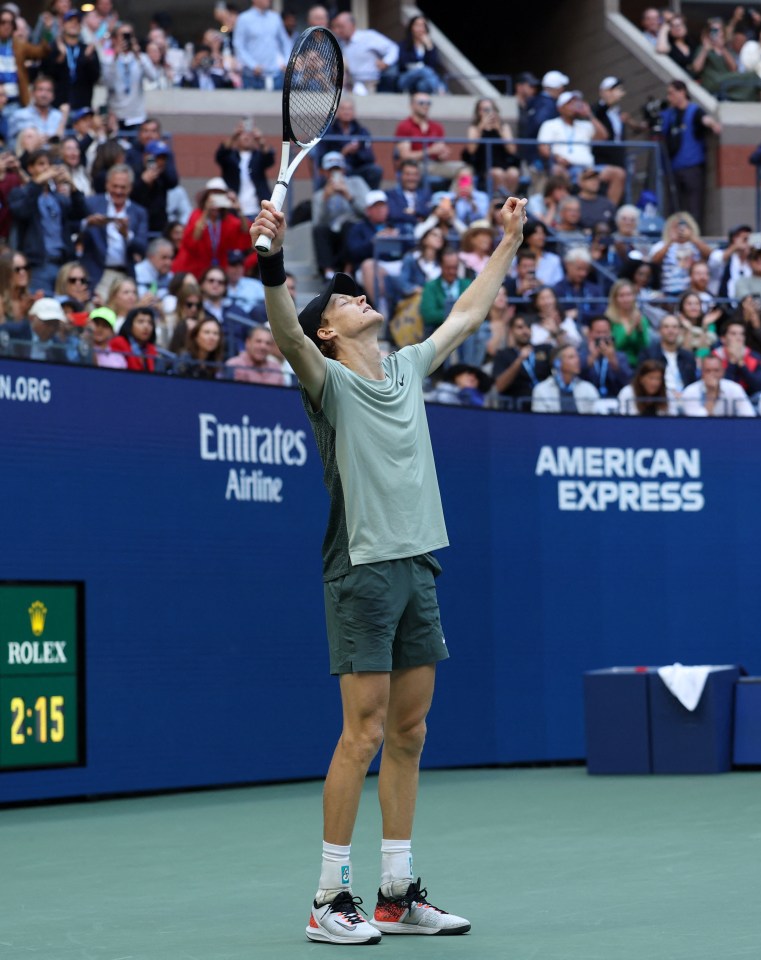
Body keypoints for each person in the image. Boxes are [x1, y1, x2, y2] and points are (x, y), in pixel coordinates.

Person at [250, 192, 527, 946]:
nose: (354, 296)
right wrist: (270, 261)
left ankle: (396, 893)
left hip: (418, 565)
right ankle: (326, 897)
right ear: (330, 333)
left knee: (409, 730)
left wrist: (507, 241)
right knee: (361, 734)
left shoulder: (405, 367)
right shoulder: (326, 380)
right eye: (339, 300)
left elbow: (467, 312)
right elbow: (284, 333)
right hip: (364, 570)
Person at [8, 146, 87, 295]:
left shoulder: (58, 197)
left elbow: (81, 213)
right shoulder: (20, 193)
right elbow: (22, 211)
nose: (47, 169)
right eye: (41, 164)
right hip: (37, 264)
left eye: (49, 164)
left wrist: (73, 186)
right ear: (30, 168)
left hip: (63, 264)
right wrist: (37, 183)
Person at [537, 90, 625, 205]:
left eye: (576, 102)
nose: (573, 106)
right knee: (558, 172)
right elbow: (543, 148)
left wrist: (589, 114)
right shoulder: (550, 124)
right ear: (560, 108)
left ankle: (609, 211)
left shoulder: (585, 125)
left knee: (618, 173)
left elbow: (603, 136)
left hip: (588, 169)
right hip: (565, 167)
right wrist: (556, 158)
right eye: (569, 103)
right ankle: (562, 212)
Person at [81, 163, 149, 296]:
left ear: (130, 188)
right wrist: (88, 223)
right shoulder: (91, 204)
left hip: (125, 274)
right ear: (107, 185)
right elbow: (73, 228)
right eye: (115, 186)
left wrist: (127, 235)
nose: (118, 191)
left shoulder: (138, 212)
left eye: (123, 187)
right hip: (97, 273)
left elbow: (142, 248)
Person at [660, 81, 721, 226]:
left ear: (682, 92)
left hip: (692, 166)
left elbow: (705, 119)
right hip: (673, 168)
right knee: (673, 207)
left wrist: (713, 124)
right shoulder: (670, 114)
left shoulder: (694, 110)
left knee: (694, 206)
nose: (670, 98)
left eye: (672, 93)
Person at [172, 179, 252, 279]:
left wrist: (239, 210)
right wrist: (206, 210)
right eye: (214, 194)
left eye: (220, 195)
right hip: (191, 268)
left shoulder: (226, 220)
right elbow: (194, 239)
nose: (216, 199)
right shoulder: (197, 214)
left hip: (215, 271)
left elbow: (245, 232)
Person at [311, 151, 369, 279]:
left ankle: (348, 270)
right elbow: (317, 223)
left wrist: (349, 197)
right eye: (330, 170)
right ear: (324, 172)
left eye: (337, 169)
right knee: (320, 230)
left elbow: (368, 212)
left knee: (349, 226)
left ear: (343, 169)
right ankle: (328, 273)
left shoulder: (357, 183)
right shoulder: (319, 195)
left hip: (352, 231)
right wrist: (325, 200)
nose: (334, 174)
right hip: (332, 235)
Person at [394, 91, 463, 184]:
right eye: (421, 103)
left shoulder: (437, 127)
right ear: (412, 105)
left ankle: (455, 197)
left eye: (428, 103)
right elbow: (406, 156)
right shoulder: (404, 126)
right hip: (415, 165)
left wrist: (442, 154)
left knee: (464, 170)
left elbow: (440, 154)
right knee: (418, 169)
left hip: (436, 165)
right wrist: (430, 151)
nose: (425, 106)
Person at [102, 23, 159, 133]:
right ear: (115, 38)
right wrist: (115, 57)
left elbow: (153, 77)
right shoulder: (109, 59)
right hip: (116, 116)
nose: (126, 39)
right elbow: (108, 83)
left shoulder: (141, 58)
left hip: (136, 115)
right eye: (122, 35)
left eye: (129, 35)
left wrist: (138, 55)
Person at [316, 99, 382, 191]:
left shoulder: (362, 131)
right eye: (343, 109)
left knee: (375, 170)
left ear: (354, 112)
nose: (346, 112)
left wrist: (357, 151)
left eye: (349, 109)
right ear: (338, 112)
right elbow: (320, 158)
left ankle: (370, 200)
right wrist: (343, 153)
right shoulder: (328, 131)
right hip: (335, 170)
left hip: (357, 168)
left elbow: (370, 157)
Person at [331, 10, 398, 95]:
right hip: (349, 86)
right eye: (336, 27)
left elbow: (393, 48)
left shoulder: (368, 36)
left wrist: (386, 62)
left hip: (371, 84)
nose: (338, 30)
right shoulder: (339, 43)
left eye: (341, 27)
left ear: (352, 25)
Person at [463, 98, 519, 196]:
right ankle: (502, 201)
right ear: (478, 112)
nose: (488, 113)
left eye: (490, 109)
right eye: (484, 110)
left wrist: (499, 131)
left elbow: (512, 150)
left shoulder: (504, 127)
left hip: (503, 162)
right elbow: (471, 150)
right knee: (498, 173)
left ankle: (509, 200)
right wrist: (481, 128)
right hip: (484, 164)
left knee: (513, 173)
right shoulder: (474, 128)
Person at [637, 313, 698, 402]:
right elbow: (641, 381)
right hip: (658, 400)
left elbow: (692, 383)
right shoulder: (648, 354)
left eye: (674, 327)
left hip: (686, 400)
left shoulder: (688, 357)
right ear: (659, 330)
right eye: (666, 327)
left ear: (680, 331)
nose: (670, 330)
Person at [492, 312, 549, 407]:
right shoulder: (503, 354)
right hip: (517, 407)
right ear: (511, 331)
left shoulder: (544, 349)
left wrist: (557, 333)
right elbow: (499, 386)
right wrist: (519, 360)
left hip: (546, 404)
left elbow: (564, 360)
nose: (525, 331)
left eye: (528, 327)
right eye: (520, 327)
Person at [0, 8, 50, 115]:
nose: (7, 26)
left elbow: (42, 52)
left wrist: (46, 32)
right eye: (2, 22)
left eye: (10, 23)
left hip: (15, 100)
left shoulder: (18, 45)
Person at [650, 212, 712, 297]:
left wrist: (692, 238)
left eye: (684, 226)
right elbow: (655, 261)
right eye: (676, 227)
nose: (681, 230)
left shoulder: (697, 245)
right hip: (669, 291)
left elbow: (711, 255)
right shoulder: (662, 245)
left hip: (692, 292)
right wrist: (670, 241)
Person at [234, 0, 290, 90]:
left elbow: (286, 42)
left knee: (278, 104)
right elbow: (239, 46)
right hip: (252, 76)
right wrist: (253, 65)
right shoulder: (244, 19)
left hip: (276, 75)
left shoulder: (275, 17)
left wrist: (286, 62)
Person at [679, 352, 756, 416]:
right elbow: (695, 425)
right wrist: (711, 394)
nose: (712, 375)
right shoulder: (690, 392)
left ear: (723, 372)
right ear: (702, 373)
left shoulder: (735, 389)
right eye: (708, 371)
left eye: (716, 370)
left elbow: (749, 415)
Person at [531, 342, 600, 413]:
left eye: (577, 356)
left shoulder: (588, 388)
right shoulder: (541, 390)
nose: (577, 360)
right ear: (557, 363)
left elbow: (596, 419)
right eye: (571, 357)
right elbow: (539, 421)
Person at [711, 319, 761, 395]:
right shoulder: (714, 357)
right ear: (723, 339)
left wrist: (742, 364)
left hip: (750, 399)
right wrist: (732, 361)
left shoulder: (754, 356)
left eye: (742, 334)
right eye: (733, 334)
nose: (739, 337)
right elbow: (718, 388)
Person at [419, 247, 472, 336]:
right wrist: (458, 315)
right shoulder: (431, 286)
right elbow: (428, 315)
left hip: (464, 331)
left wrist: (446, 314)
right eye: (448, 268)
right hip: (438, 331)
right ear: (441, 266)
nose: (451, 271)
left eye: (455, 268)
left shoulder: (467, 284)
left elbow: (472, 311)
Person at [580, 316, 633, 398]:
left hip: (614, 400)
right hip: (585, 400)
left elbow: (628, 381)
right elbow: (577, 376)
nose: (602, 336)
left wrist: (612, 359)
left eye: (605, 332)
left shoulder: (620, 356)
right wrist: (592, 357)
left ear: (610, 333)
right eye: (598, 332)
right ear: (590, 333)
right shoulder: (581, 354)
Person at [604, 278, 651, 367]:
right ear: (615, 298)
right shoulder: (608, 319)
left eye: (629, 295)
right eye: (621, 296)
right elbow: (616, 346)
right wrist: (630, 329)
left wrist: (639, 331)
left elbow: (645, 346)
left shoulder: (640, 318)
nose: (626, 299)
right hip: (616, 365)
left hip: (638, 365)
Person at [553, 247, 602, 328]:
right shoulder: (557, 289)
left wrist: (579, 313)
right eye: (579, 269)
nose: (583, 274)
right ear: (567, 265)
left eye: (586, 270)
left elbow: (600, 311)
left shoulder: (594, 289)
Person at [8, 73, 65, 142]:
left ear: (53, 95)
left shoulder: (59, 116)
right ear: (32, 93)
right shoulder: (19, 115)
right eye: (40, 90)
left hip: (55, 152)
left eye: (48, 90)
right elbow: (11, 143)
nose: (44, 94)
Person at [396, 15, 444, 95]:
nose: (420, 29)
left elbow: (433, 66)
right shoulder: (403, 45)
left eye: (423, 26)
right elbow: (403, 63)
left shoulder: (430, 46)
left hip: (423, 80)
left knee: (422, 85)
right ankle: (439, 88)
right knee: (424, 70)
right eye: (417, 25)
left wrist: (429, 47)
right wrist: (420, 68)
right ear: (411, 27)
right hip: (406, 78)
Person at [385, 159, 432, 233]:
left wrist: (413, 212)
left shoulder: (425, 194)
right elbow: (393, 214)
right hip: (400, 235)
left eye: (415, 175)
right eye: (407, 174)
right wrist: (418, 216)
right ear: (400, 176)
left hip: (423, 234)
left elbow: (428, 214)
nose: (411, 178)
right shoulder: (391, 195)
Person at [708, 223, 753, 299]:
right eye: (744, 238)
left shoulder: (751, 259)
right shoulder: (721, 252)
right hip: (724, 301)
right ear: (733, 238)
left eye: (747, 239)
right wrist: (735, 246)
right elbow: (715, 262)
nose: (746, 242)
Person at [109, 304, 158, 371]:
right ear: (130, 325)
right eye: (140, 322)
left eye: (150, 323)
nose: (146, 327)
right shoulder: (119, 343)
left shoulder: (151, 349)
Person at [174, 314, 224, 378]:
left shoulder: (217, 364)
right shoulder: (185, 360)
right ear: (196, 337)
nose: (212, 337)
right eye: (207, 332)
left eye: (215, 333)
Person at [424, 363, 491, 407]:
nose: (472, 378)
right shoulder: (441, 392)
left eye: (477, 378)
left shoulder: (480, 401)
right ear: (456, 375)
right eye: (468, 374)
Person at [134, 237, 174, 302]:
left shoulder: (170, 276)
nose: (168, 262)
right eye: (164, 257)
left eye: (170, 258)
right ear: (151, 256)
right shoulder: (136, 272)